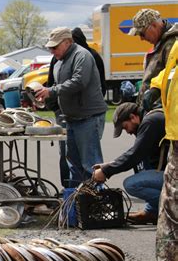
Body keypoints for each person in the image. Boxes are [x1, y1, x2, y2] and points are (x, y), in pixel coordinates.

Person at [35, 27, 108, 187]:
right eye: (50, 47)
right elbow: (56, 84)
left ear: (68, 42)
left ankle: (96, 202)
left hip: (88, 117)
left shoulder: (82, 55)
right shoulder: (59, 61)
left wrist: (51, 91)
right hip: (71, 118)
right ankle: (77, 201)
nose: (52, 50)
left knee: (91, 165)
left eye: (55, 47)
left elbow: (79, 81)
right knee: (74, 165)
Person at [140, 40, 178, 261]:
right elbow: (171, 71)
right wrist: (154, 85)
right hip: (175, 133)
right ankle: (166, 260)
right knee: (169, 200)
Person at [92, 102, 166, 224]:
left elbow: (135, 154)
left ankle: (169, 207)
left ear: (133, 117)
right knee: (142, 164)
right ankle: (152, 211)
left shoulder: (150, 122)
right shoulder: (150, 119)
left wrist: (106, 171)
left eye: (125, 127)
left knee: (131, 184)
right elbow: (137, 152)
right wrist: (110, 164)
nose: (127, 132)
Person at [128, 8, 178, 108]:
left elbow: (173, 80)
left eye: (142, 33)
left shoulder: (172, 44)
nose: (141, 38)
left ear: (154, 25)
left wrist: (157, 105)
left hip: (163, 111)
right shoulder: (161, 44)